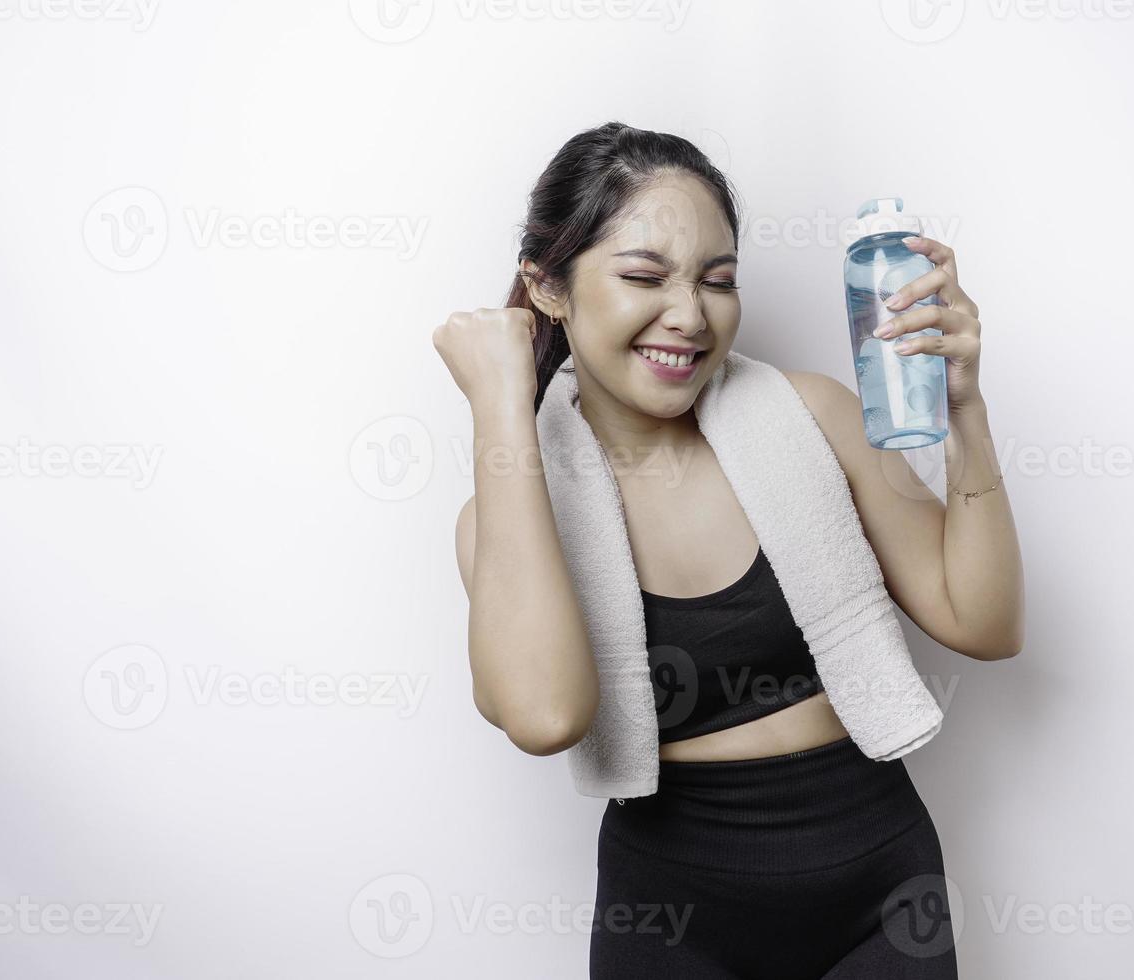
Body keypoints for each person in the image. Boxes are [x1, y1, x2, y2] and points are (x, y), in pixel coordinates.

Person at [432, 121, 1024, 978]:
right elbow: (545, 716)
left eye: (718, 281)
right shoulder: (504, 521)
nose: (690, 315)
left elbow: (985, 622)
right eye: (643, 276)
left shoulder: (814, 417)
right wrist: (498, 400)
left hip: (880, 893)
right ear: (548, 287)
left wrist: (964, 408)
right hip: (672, 918)